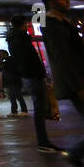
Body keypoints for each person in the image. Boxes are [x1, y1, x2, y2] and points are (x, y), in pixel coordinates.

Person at [38, 0, 84, 167]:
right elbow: (63, 59)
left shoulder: (62, 22)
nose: (66, 0)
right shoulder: (52, 25)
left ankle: (76, 154)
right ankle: (76, 154)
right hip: (77, 84)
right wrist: (79, 86)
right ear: (51, 2)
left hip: (82, 80)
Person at [5, 13, 61, 153]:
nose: (27, 26)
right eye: (26, 24)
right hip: (33, 77)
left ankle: (44, 141)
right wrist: (39, 75)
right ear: (22, 24)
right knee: (39, 109)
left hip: (31, 76)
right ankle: (43, 142)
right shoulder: (20, 40)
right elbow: (29, 61)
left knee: (40, 108)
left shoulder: (16, 39)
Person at [0, 49, 27, 115]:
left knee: (18, 96)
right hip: (9, 82)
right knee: (12, 97)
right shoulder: (3, 61)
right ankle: (14, 111)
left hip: (14, 81)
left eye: (1, 54)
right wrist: (0, 62)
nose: (0, 55)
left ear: (5, 54)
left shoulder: (10, 60)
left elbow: (10, 69)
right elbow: (1, 69)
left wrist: (2, 62)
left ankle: (24, 110)